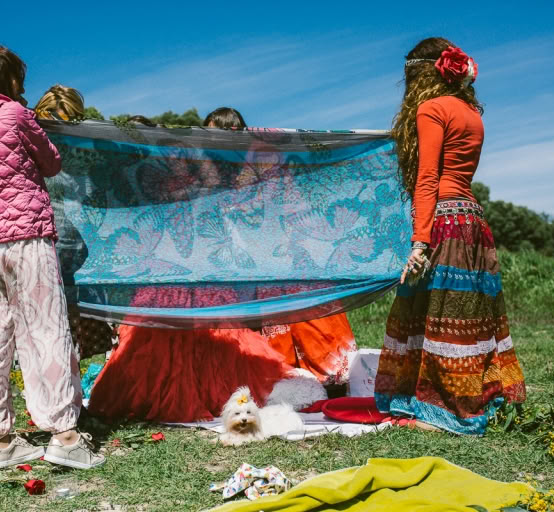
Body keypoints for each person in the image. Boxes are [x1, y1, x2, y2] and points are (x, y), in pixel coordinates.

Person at [0, 45, 104, 469]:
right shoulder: (14, 114)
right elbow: (50, 162)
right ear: (8, 79)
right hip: (24, 235)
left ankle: (1, 444)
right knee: (44, 328)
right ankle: (64, 435)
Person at [86, 107, 293, 422]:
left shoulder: (171, 161)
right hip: (170, 253)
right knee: (174, 327)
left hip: (187, 250)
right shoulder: (152, 168)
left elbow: (207, 189)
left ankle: (200, 389)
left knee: (199, 326)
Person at [373, 38, 526, 435]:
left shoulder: (431, 108)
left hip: (442, 220)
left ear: (421, 74)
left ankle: (450, 411)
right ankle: (477, 395)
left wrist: (419, 242)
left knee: (440, 318)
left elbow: (428, 179)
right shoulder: (471, 112)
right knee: (468, 318)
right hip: (473, 221)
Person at [203, 108, 359, 391]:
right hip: (245, 256)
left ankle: (330, 372)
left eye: (217, 134)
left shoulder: (262, 158)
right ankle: (282, 371)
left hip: (282, 245)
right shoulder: (215, 168)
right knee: (268, 316)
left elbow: (282, 201)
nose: (212, 142)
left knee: (306, 311)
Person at [34, 85, 116, 360]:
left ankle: (71, 396)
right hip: (40, 242)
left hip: (77, 245)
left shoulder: (86, 148)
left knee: (73, 325)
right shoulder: (31, 143)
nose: (59, 126)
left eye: (68, 120)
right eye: (53, 120)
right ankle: (47, 396)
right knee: (46, 320)